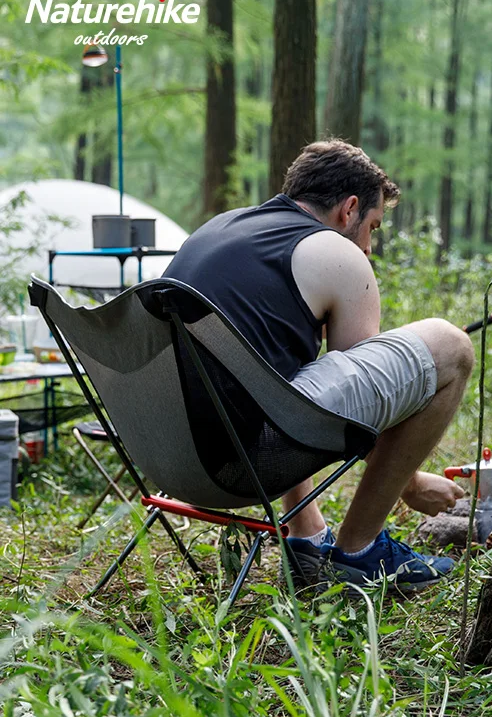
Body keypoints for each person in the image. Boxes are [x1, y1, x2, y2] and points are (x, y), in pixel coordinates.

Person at [164, 140, 474, 592]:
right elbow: (365, 410)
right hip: (243, 462)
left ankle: (306, 538)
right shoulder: (335, 250)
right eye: (372, 226)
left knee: (284, 374)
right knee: (451, 346)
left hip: (171, 459)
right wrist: (410, 484)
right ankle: (360, 552)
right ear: (348, 210)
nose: (368, 247)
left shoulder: (221, 228)